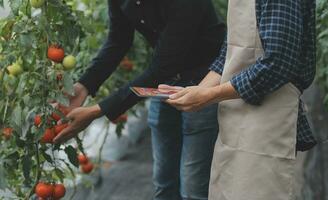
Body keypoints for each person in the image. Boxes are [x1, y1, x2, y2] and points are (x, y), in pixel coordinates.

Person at [53, 0, 225, 199]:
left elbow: (162, 67)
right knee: (164, 181)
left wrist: (96, 111)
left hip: (204, 83)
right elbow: (118, 41)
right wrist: (84, 86)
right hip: (163, 85)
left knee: (193, 186)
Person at [164, 0, 316, 199]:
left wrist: (209, 96)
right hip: (234, 116)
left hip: (268, 116)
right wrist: (194, 92)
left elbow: (278, 63)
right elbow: (228, 56)